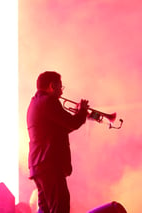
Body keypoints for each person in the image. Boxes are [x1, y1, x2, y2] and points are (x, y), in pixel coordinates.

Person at [26, 71, 89, 213]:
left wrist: (80, 116)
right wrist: (82, 112)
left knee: (45, 209)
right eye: (60, 87)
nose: (61, 92)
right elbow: (71, 123)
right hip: (49, 163)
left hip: (38, 164)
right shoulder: (49, 101)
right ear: (52, 85)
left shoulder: (35, 103)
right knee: (60, 207)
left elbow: (60, 129)